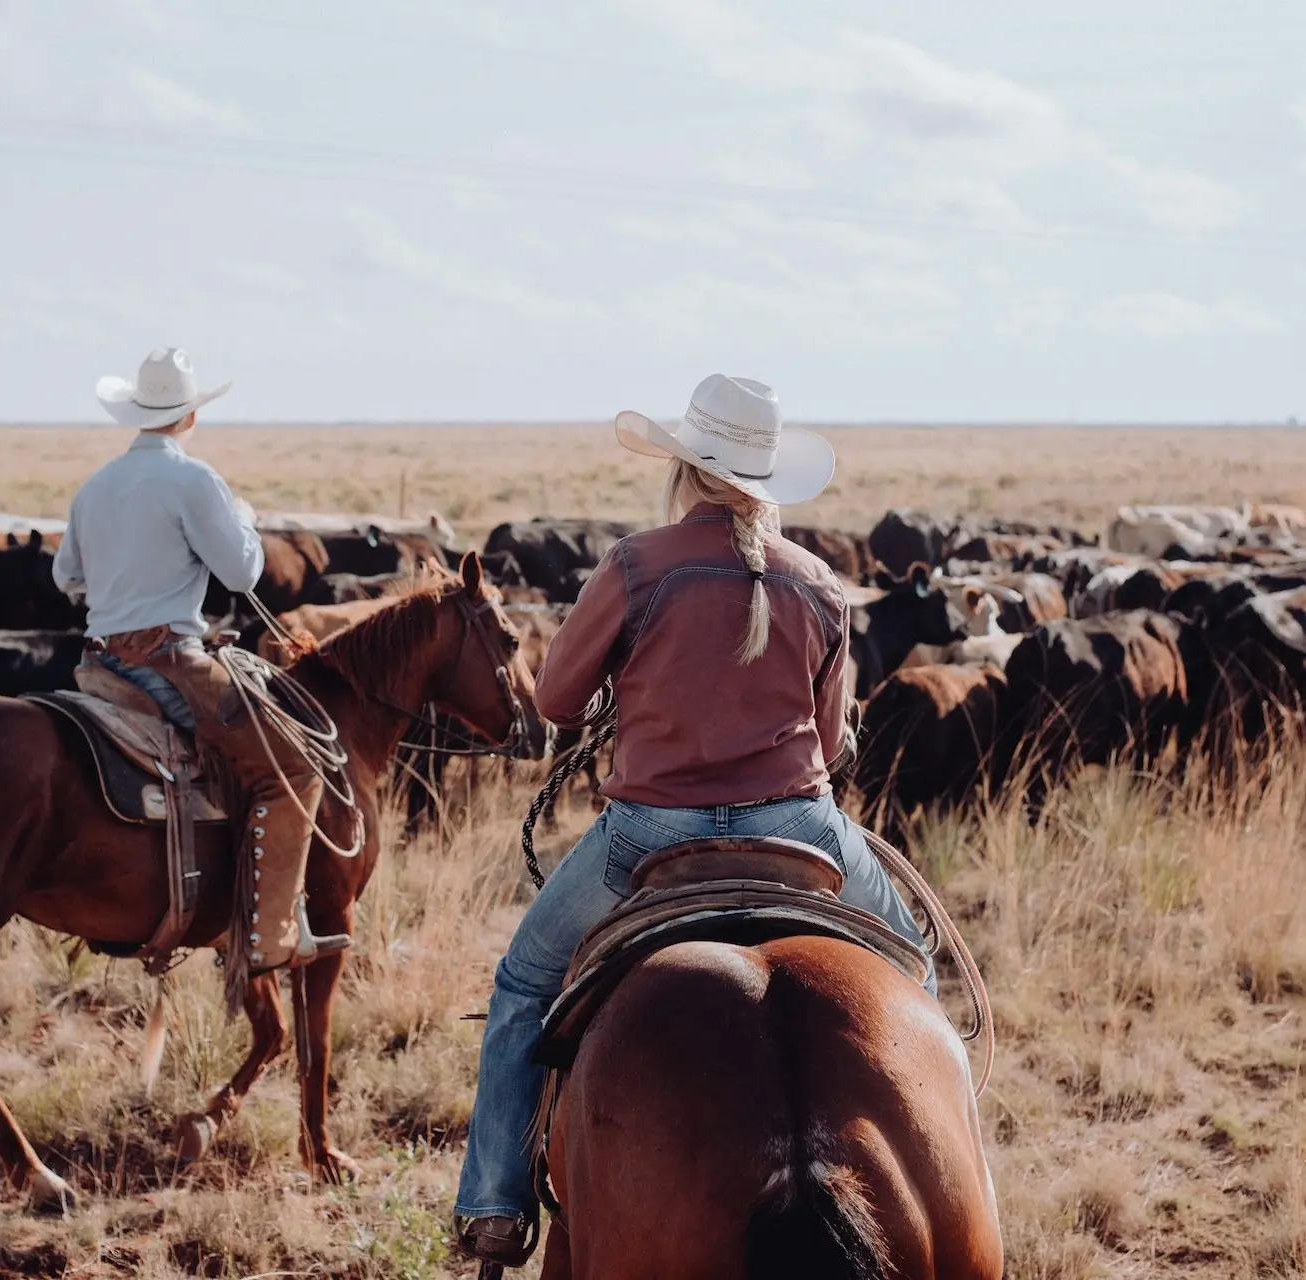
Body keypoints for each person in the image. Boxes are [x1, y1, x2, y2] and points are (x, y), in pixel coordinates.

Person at [453, 374, 934, 1267]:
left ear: (686, 468)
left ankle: (493, 1203)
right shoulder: (819, 581)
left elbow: (557, 701)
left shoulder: (636, 565)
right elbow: (829, 741)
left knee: (523, 984)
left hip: (649, 836)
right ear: (766, 480)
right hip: (803, 826)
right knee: (917, 971)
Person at [52, 345, 348, 975]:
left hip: (99, 662)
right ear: (189, 417)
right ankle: (269, 937)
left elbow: (66, 577)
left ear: (135, 412)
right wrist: (241, 520)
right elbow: (243, 573)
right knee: (294, 767)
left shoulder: (95, 485)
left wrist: (119, 587)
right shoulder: (194, 480)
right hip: (170, 661)